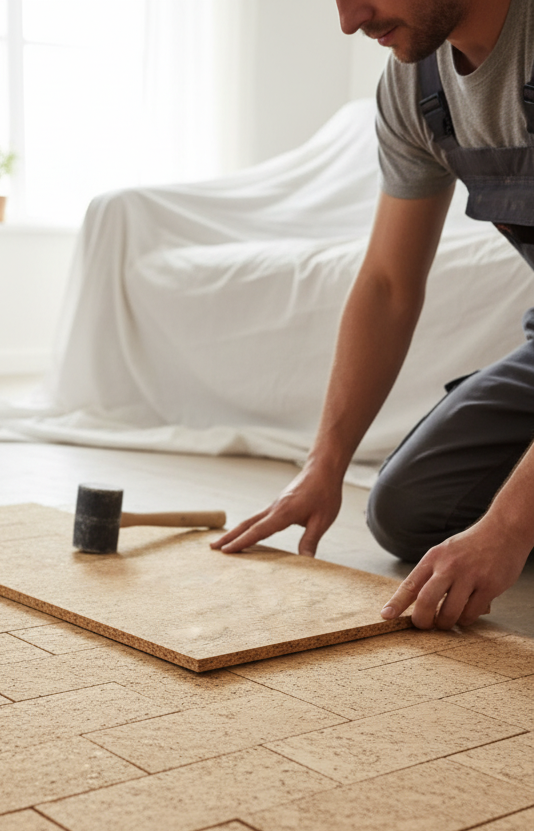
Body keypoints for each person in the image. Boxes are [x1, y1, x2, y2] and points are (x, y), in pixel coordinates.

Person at [212, 0, 534, 631]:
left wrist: (509, 526)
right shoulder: (416, 84)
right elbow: (388, 284)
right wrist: (324, 464)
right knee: (408, 509)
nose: (349, 19)